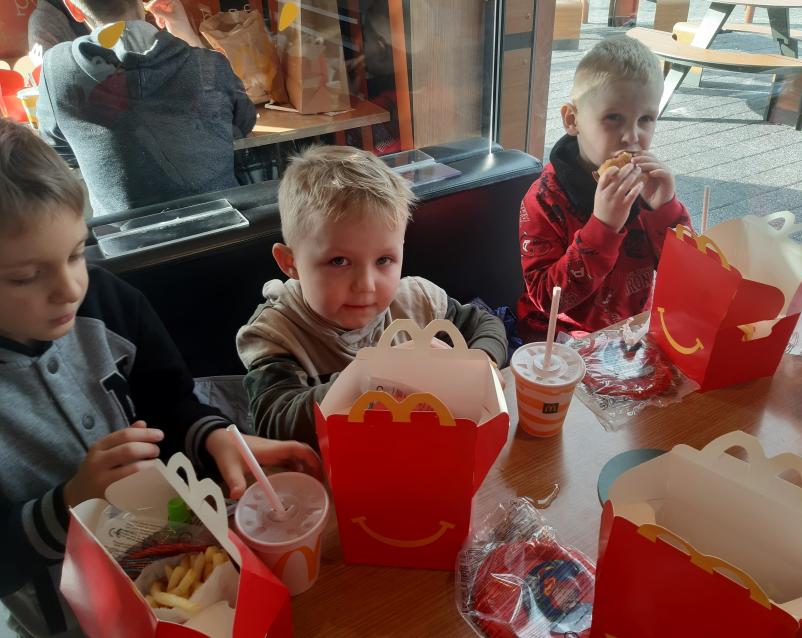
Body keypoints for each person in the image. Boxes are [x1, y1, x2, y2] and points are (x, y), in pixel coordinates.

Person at [0, 119, 320, 638]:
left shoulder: (109, 303)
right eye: (25, 277)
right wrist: (67, 505)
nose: (69, 288)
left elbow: (170, 401)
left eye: (76, 253)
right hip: (63, 620)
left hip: (178, 581)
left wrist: (213, 436)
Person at [237, 145, 508, 447]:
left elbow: (486, 324)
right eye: (339, 261)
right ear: (291, 263)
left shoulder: (417, 302)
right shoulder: (275, 333)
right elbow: (274, 423)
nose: (366, 285)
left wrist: (483, 364)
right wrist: (375, 376)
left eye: (383, 260)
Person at [516, 35, 692, 341]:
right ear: (572, 120)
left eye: (646, 119)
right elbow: (546, 299)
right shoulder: (544, 199)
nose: (632, 137)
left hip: (630, 333)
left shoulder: (648, 190)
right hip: (558, 338)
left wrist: (666, 209)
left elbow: (686, 277)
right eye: (614, 118)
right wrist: (603, 228)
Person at [36, 0, 256, 216]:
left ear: (74, 8)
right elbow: (241, 125)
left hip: (126, 238)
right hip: (227, 231)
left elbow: (58, 149)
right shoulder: (209, 63)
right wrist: (186, 36)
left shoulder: (57, 69)